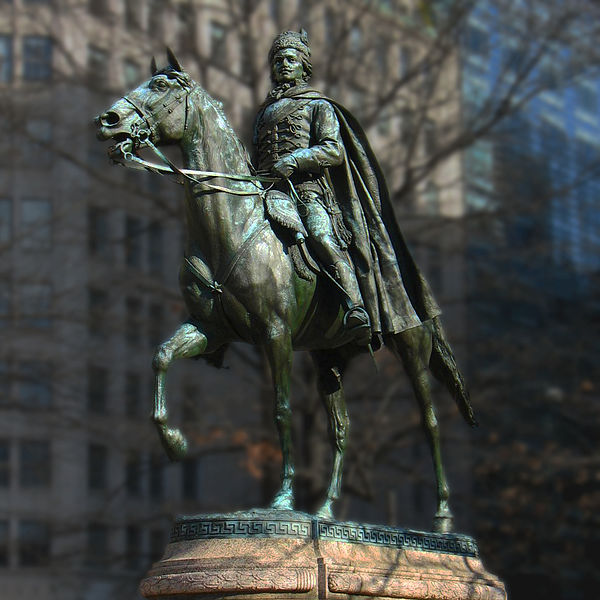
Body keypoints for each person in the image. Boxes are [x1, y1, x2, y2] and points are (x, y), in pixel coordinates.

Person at [253, 30, 441, 346]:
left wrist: (296, 160)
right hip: (268, 191)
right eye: (278, 61)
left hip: (308, 192)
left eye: (290, 59)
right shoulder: (262, 114)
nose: (283, 65)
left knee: (321, 236)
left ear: (303, 66)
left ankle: (355, 307)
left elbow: (332, 149)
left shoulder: (317, 105)